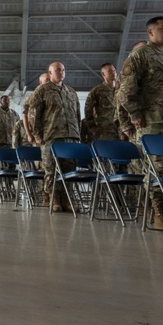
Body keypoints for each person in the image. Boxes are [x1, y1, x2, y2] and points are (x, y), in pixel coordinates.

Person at [119, 17, 163, 231]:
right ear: (150, 33)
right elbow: (125, 89)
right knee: (158, 170)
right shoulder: (141, 55)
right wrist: (134, 114)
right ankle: (159, 214)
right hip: (153, 123)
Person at [27, 62, 81, 213]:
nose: (61, 72)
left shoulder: (70, 92)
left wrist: (78, 134)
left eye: (63, 70)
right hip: (51, 137)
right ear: (50, 73)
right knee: (51, 169)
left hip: (71, 136)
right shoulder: (42, 91)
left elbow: (77, 115)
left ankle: (67, 199)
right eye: (57, 70)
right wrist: (37, 135)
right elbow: (33, 114)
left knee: (69, 169)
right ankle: (54, 198)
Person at [81, 63, 118, 146]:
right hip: (103, 130)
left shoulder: (120, 89)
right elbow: (88, 110)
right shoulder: (97, 91)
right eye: (110, 71)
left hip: (118, 130)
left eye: (114, 71)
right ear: (103, 74)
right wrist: (93, 128)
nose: (113, 73)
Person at [16, 73, 49, 148]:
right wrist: (29, 134)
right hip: (39, 135)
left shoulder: (53, 95)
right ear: (40, 82)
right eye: (47, 80)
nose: (49, 83)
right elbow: (25, 115)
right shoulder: (34, 96)